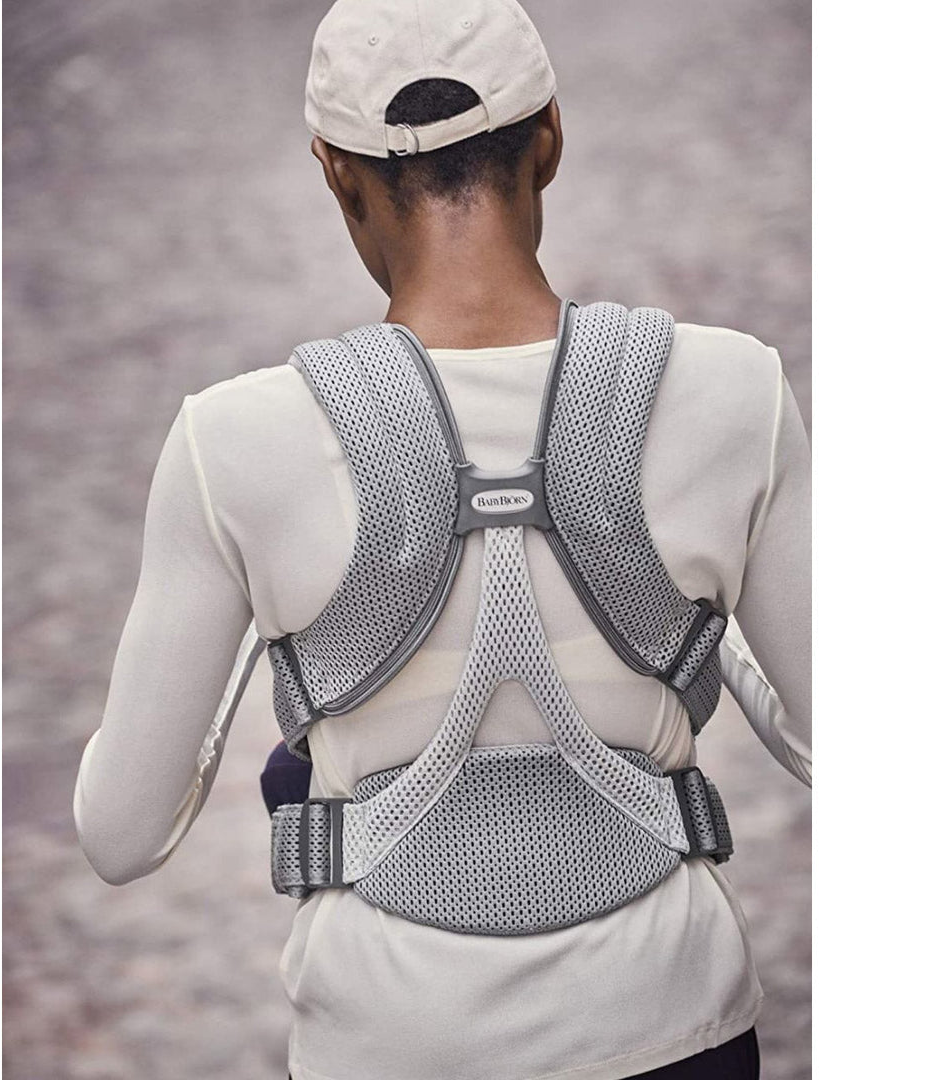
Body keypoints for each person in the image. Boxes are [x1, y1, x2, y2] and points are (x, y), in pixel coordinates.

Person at [73, 2, 811, 1078]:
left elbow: (121, 833)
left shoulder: (232, 442)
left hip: (387, 1041)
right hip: (673, 1025)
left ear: (336, 173)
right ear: (548, 138)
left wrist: (273, 614)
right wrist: (697, 612)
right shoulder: (733, 389)